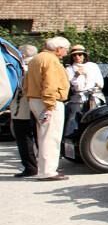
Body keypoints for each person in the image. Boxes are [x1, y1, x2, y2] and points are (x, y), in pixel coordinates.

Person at [23, 36, 70, 181]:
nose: (66, 52)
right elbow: (50, 84)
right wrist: (50, 106)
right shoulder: (51, 60)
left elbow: (26, 83)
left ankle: (43, 169)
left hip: (35, 99)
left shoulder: (36, 59)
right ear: (58, 49)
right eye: (65, 49)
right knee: (51, 136)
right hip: (48, 101)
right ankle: (48, 171)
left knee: (43, 135)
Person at [11, 45, 39, 177]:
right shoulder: (38, 65)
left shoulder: (20, 68)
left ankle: (30, 167)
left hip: (21, 108)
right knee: (40, 137)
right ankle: (43, 165)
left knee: (23, 138)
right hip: (38, 105)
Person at [64, 44, 104, 135]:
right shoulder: (69, 69)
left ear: (84, 56)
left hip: (94, 95)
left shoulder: (93, 66)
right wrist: (77, 75)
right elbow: (71, 83)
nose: (77, 57)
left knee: (96, 118)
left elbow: (99, 82)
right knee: (73, 119)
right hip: (78, 97)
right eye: (74, 55)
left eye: (80, 54)